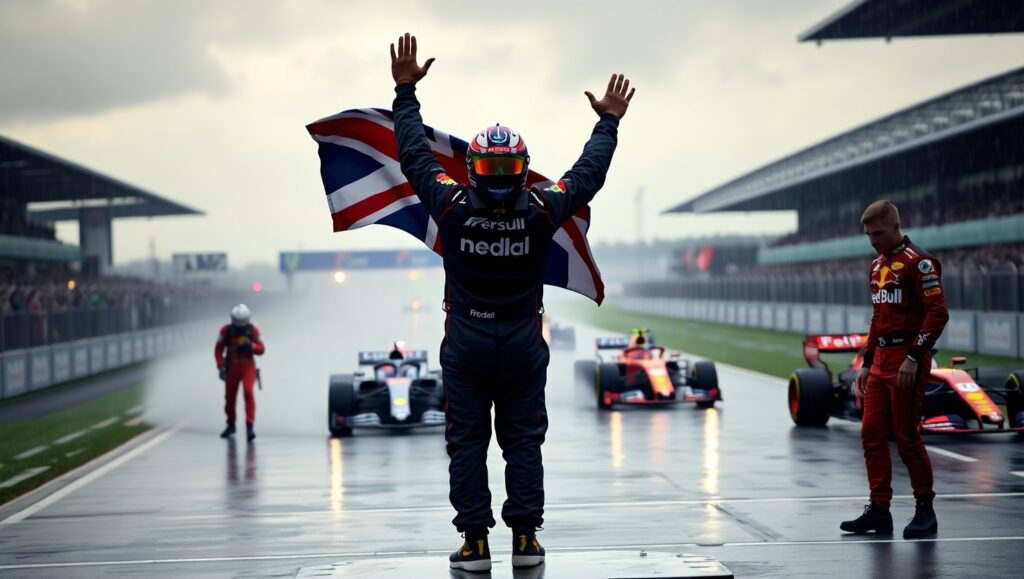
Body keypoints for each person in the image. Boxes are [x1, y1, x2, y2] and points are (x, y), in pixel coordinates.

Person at [389, 33, 634, 571]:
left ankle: (475, 543)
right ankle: (526, 539)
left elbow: (411, 154)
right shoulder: (543, 210)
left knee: (466, 443)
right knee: (523, 442)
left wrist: (405, 91)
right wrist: (608, 122)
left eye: (503, 170)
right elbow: (589, 175)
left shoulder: (450, 207)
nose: (500, 178)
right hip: (523, 342)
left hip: (468, 343)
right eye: (496, 170)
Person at [841, 200, 949, 539]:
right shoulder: (875, 266)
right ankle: (879, 509)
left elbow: (938, 313)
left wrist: (915, 356)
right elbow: (877, 319)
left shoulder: (921, 264)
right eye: (868, 235)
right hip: (882, 361)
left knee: (906, 437)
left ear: (895, 227)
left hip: (908, 358)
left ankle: (925, 511)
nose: (872, 240)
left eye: (877, 233)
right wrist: (867, 362)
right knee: (871, 435)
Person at [214, 303, 265, 442]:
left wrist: (250, 346)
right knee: (229, 398)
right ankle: (231, 424)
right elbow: (218, 349)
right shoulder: (226, 331)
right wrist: (220, 367)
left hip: (247, 367)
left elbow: (261, 349)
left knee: (248, 392)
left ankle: (250, 426)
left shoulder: (253, 331)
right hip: (231, 367)